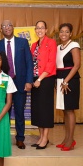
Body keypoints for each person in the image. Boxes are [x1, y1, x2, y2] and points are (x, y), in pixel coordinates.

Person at [0, 20, 33, 149]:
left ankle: (20, 138)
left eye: (9, 25)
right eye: (4, 26)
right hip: (4, 84)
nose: (7, 28)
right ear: (1, 29)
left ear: (13, 27)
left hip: (21, 82)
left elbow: (29, 62)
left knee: (20, 112)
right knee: (5, 112)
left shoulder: (23, 42)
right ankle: (4, 137)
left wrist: (29, 81)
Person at [30, 21, 57, 150]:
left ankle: (45, 138)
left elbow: (51, 63)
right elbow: (31, 63)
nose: (39, 30)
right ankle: (40, 137)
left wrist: (40, 79)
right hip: (36, 80)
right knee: (38, 110)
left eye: (42, 28)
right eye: (37, 28)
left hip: (46, 79)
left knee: (45, 110)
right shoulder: (34, 45)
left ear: (46, 30)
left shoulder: (51, 42)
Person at [56, 23, 81, 151]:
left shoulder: (74, 45)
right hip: (60, 80)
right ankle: (66, 139)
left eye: (66, 32)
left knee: (70, 110)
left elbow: (77, 65)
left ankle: (71, 140)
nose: (63, 34)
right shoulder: (58, 47)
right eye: (61, 31)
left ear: (71, 33)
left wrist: (66, 81)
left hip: (70, 81)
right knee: (64, 110)